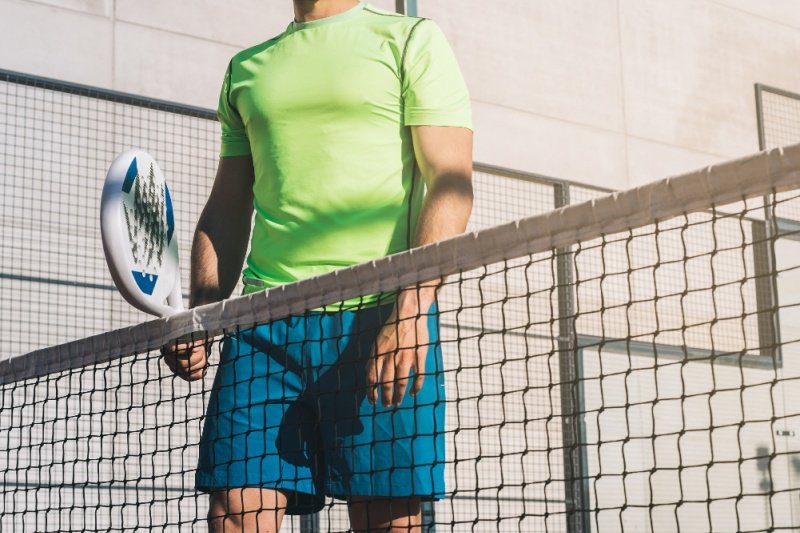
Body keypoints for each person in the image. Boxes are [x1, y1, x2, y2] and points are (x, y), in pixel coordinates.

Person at [162, 1, 473, 531]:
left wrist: (411, 308)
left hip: (377, 319)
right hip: (262, 328)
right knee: (233, 514)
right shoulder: (246, 69)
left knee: (387, 523)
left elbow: (451, 183)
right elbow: (228, 206)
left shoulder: (411, 41)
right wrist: (201, 312)